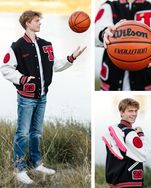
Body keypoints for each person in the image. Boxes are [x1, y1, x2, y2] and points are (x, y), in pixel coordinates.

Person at [0, 10, 86, 184]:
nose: (40, 23)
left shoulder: (46, 44)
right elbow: (6, 68)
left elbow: (53, 66)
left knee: (36, 133)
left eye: (40, 20)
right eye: (37, 21)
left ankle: (36, 163)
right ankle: (19, 168)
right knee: (22, 133)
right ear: (27, 23)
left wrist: (71, 58)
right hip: (26, 97)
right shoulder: (17, 46)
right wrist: (22, 79)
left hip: (42, 96)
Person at [95, 0, 151, 91]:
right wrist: (104, 33)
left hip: (146, 84)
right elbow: (96, 30)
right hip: (111, 83)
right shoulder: (109, 7)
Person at [102, 98, 149, 187]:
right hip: (130, 182)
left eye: (135, 111)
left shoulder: (114, 131)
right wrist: (141, 135)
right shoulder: (130, 134)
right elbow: (145, 155)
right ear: (121, 112)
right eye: (130, 111)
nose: (134, 114)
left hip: (115, 183)